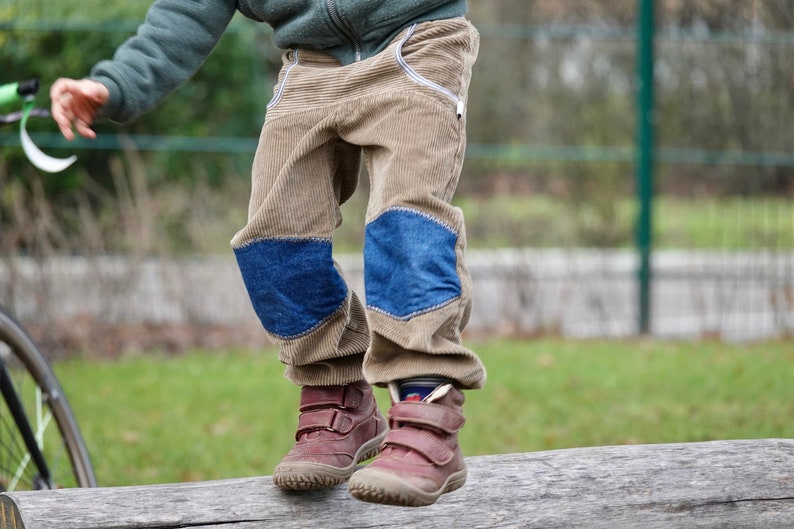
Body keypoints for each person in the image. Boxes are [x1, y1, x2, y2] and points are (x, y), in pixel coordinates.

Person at [51, 0, 486, 507]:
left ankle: (426, 405)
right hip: (310, 64)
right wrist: (118, 82)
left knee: (405, 223)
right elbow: (186, 12)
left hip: (416, 41)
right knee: (273, 238)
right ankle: (337, 394)